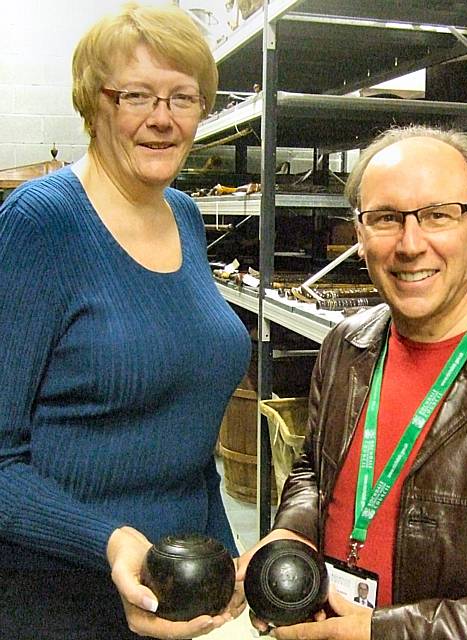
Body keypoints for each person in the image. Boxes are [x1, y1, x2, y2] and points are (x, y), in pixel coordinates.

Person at [239, 125, 467, 639]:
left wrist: (384, 633)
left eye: (438, 215)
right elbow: (313, 472)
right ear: (360, 233)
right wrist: (294, 531)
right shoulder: (348, 345)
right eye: (386, 218)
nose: (411, 245)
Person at [0, 4, 251, 639]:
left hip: (181, 593)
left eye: (183, 97)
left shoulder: (187, 217)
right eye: (136, 95)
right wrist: (108, 542)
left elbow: (188, 439)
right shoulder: (40, 224)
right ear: (94, 103)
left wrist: (224, 569)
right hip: (60, 600)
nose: (162, 119)